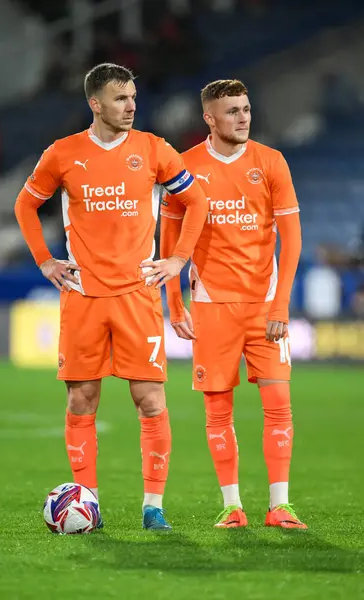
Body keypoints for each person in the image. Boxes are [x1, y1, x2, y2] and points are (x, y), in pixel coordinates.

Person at [14, 63, 208, 531]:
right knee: (82, 399)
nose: (131, 106)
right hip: (82, 296)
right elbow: (25, 204)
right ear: (95, 103)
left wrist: (178, 260)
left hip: (137, 296)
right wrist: (45, 261)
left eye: (134, 97)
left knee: (150, 399)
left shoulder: (153, 149)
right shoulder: (63, 154)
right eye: (120, 99)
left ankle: (153, 506)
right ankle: (89, 503)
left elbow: (197, 201)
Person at [155, 79, 306, 529]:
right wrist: (175, 305)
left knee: (279, 402)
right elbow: (169, 240)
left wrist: (281, 305)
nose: (243, 117)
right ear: (209, 118)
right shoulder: (185, 167)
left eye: (245, 108)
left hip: (263, 307)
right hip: (210, 306)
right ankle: (232, 505)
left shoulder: (271, 161)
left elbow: (292, 240)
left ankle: (280, 505)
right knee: (218, 410)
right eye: (232, 111)